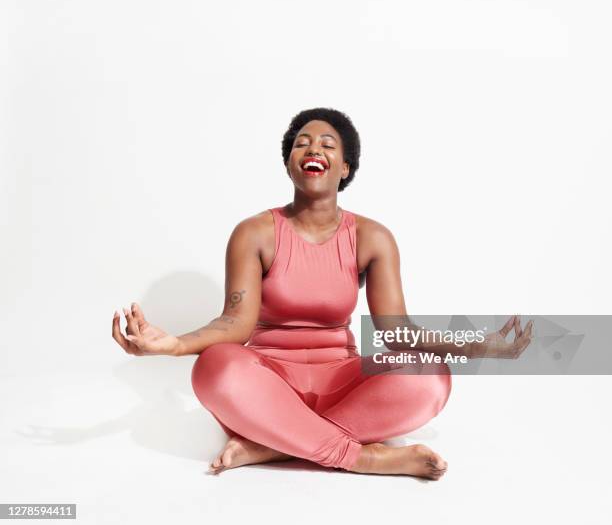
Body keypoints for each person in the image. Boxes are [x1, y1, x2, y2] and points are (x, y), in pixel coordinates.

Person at [112, 107, 533, 480]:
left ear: (345, 167)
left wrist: (479, 347)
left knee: (429, 375)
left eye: (327, 144)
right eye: (302, 143)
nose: (314, 148)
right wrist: (173, 344)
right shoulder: (254, 233)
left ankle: (273, 446)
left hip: (343, 383)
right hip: (269, 384)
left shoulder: (373, 237)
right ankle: (362, 458)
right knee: (215, 366)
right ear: (290, 163)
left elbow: (398, 333)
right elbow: (234, 324)